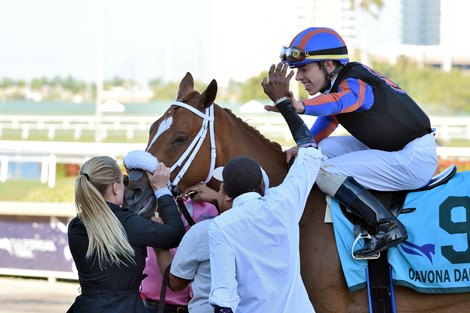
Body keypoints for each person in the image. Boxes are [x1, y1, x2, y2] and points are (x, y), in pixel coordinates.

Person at [262, 27, 438, 258]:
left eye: (304, 69)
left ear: (328, 65)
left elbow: (341, 102)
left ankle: (386, 226)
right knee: (317, 152)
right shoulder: (343, 80)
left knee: (324, 171)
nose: (298, 77)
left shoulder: (356, 83)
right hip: (396, 148)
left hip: (414, 158)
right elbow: (331, 116)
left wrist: (300, 106)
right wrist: (304, 146)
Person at [208, 93, 322, 312]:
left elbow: (224, 298)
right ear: (261, 186)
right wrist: (285, 105)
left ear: (227, 194)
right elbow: (310, 149)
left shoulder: (220, 227)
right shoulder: (283, 201)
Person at [67, 156, 186, 313]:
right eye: (124, 181)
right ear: (115, 187)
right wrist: (162, 190)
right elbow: (175, 233)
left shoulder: (75, 226)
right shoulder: (129, 224)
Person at [141, 184, 219, 313]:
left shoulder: (215, 205)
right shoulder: (150, 202)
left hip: (205, 305)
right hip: (157, 303)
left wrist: (216, 199)